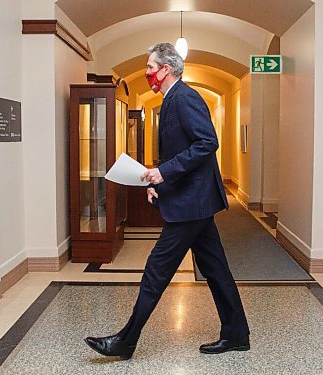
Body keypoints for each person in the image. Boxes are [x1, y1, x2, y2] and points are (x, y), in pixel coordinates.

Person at [85, 43, 250, 360]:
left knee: (156, 271)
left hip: (192, 205)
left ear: (167, 68)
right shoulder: (172, 100)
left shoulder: (184, 98)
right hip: (193, 201)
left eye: (150, 67)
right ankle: (237, 333)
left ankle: (126, 340)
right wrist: (159, 181)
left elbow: (207, 143)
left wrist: (165, 172)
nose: (147, 73)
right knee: (216, 270)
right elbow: (180, 152)